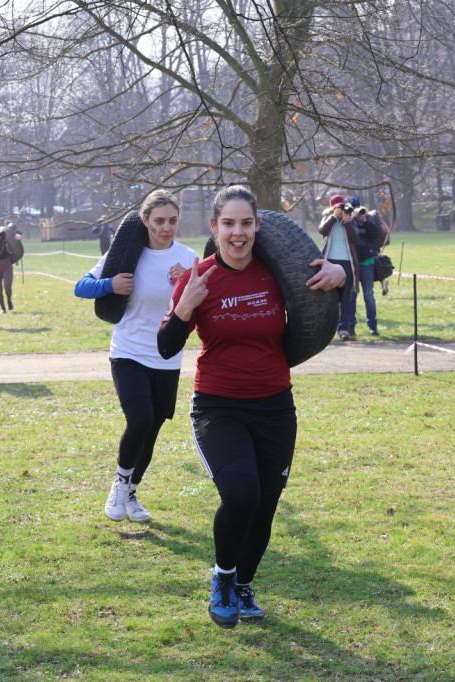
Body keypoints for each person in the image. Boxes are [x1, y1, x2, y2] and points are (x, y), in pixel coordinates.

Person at [157, 185, 345, 628]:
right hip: (218, 405)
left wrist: (339, 275)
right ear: (214, 227)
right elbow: (166, 348)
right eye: (228, 224)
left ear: (258, 227)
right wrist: (184, 307)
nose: (237, 233)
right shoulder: (198, 277)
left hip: (275, 405)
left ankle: (244, 583)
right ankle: (222, 579)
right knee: (242, 493)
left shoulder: (277, 272)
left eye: (245, 223)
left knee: (265, 504)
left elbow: (321, 291)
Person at [74, 190, 199, 523]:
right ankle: (119, 483)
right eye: (158, 221)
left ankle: (131, 492)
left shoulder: (188, 258)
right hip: (128, 352)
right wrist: (110, 284)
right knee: (140, 420)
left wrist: (183, 285)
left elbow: (201, 307)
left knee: (153, 428)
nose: (166, 228)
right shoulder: (128, 254)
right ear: (145, 221)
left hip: (168, 357)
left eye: (172, 220)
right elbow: (80, 286)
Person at [317, 194, 359, 340]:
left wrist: (347, 222)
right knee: (328, 295)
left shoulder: (350, 220)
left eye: (343, 206)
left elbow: (355, 239)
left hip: (347, 263)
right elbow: (322, 230)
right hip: (330, 261)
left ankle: (343, 328)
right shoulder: (328, 219)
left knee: (345, 296)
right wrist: (334, 217)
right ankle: (326, 328)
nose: (341, 210)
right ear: (333, 208)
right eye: (338, 207)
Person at [349, 198, 387, 336]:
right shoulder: (349, 222)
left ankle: (372, 326)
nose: (359, 213)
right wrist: (352, 219)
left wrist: (364, 221)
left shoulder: (368, 222)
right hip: (352, 263)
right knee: (351, 296)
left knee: (369, 295)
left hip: (367, 263)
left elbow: (378, 234)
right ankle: (350, 326)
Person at [0, 222, 20, 313]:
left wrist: (18, 236)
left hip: (7, 264)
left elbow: (15, 233)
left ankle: (9, 300)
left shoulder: (3, 236)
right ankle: (3, 308)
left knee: (7, 286)